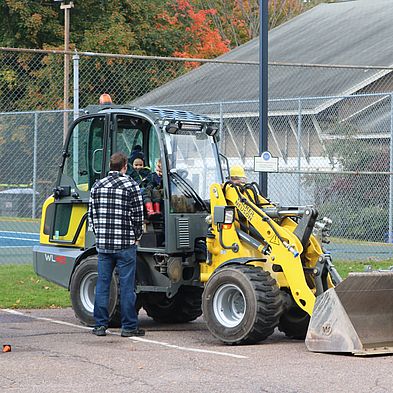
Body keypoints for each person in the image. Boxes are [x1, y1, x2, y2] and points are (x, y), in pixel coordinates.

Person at [88, 152, 145, 337]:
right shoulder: (131, 185)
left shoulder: (98, 185)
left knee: (103, 284)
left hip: (104, 244)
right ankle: (129, 327)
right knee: (127, 286)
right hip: (125, 243)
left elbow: (92, 216)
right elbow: (138, 215)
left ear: (110, 166)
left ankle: (100, 325)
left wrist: (100, 235)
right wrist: (137, 236)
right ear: (125, 166)